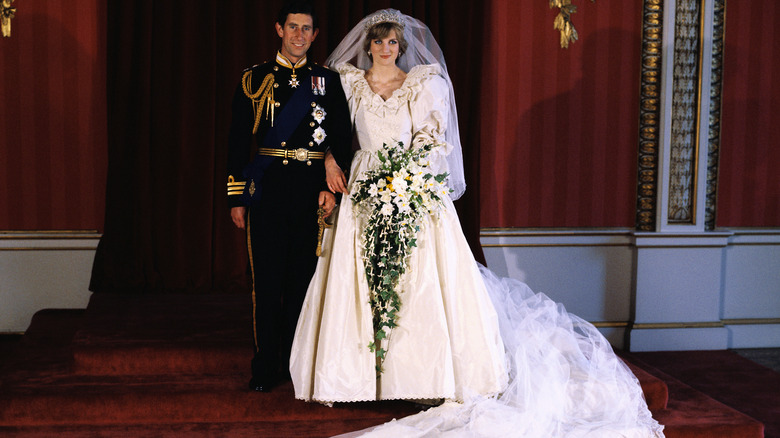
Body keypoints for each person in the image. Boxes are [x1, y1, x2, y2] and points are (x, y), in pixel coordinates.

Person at [290, 9, 665, 437]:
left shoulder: (423, 84)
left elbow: (432, 137)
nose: (384, 48)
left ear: (401, 47)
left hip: (410, 182)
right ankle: (351, 375)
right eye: (378, 41)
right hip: (363, 184)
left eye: (392, 42)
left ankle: (423, 376)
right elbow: (331, 130)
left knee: (421, 280)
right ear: (368, 46)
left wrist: (408, 178)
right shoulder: (348, 83)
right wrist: (334, 163)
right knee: (355, 279)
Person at [226, 0, 352, 393]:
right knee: (266, 283)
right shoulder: (255, 78)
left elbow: (343, 137)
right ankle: (265, 366)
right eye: (292, 27)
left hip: (310, 194)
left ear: (315, 35)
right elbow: (235, 142)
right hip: (266, 193)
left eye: (306, 29)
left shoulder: (327, 81)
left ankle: (293, 364)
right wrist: (236, 196)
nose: (299, 35)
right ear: (279, 29)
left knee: (301, 283)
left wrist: (330, 183)